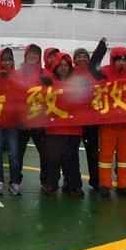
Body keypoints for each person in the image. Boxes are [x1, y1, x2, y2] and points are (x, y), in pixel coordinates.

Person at [90, 38, 126, 197]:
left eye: (124, 59)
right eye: (118, 59)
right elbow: (92, 66)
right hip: (108, 123)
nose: (121, 63)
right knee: (106, 155)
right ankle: (105, 184)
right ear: (113, 60)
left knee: (125, 157)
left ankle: (124, 185)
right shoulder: (103, 73)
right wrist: (101, 48)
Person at [41, 52, 84, 197]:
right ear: (55, 67)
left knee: (72, 159)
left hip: (73, 128)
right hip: (54, 128)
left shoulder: (77, 83)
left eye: (66, 65)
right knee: (54, 158)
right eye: (60, 65)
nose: (63, 68)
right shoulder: (48, 82)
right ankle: (52, 184)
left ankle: (74, 185)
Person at [10, 43, 48, 195]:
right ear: (25, 56)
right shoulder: (17, 74)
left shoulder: (45, 74)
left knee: (45, 153)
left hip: (40, 121)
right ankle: (15, 181)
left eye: (36, 54)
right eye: (30, 54)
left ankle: (46, 181)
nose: (33, 56)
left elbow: (58, 90)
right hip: (22, 122)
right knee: (17, 155)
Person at [73, 47, 100, 192]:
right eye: (79, 56)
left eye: (85, 56)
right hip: (74, 121)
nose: (82, 59)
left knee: (93, 152)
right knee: (71, 152)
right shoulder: (69, 73)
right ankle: (71, 180)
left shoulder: (94, 73)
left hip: (91, 120)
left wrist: (102, 45)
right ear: (74, 59)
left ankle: (96, 180)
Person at [0, 47, 16, 196]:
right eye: (4, 59)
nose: (7, 62)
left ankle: (14, 181)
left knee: (14, 153)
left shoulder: (19, 77)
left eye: (9, 59)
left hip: (13, 122)